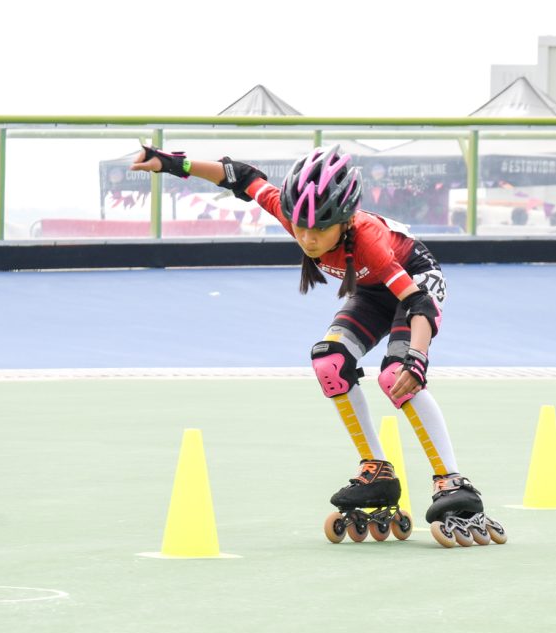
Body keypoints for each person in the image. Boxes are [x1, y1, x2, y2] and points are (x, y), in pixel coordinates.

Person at [131, 145, 507, 548]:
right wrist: (175, 164)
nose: (307, 239)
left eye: (320, 229)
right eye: (300, 227)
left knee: (397, 375)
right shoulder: (289, 211)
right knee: (329, 362)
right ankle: (377, 471)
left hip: (415, 283)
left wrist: (417, 358)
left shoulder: (369, 239)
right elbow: (238, 175)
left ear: (344, 223)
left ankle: (451, 480)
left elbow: (418, 304)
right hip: (371, 290)